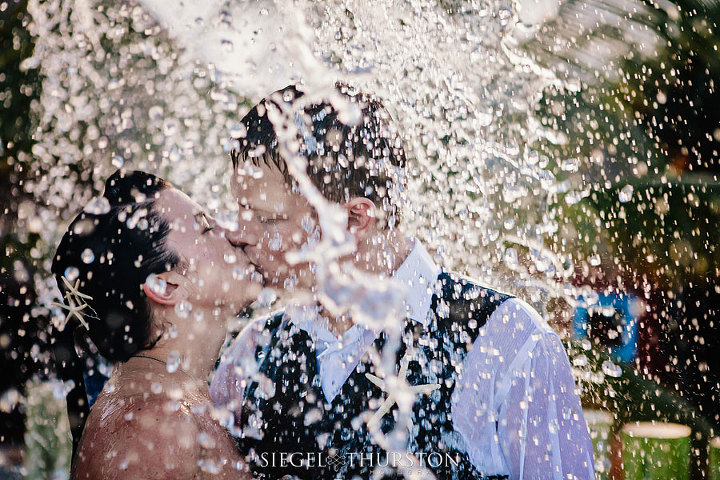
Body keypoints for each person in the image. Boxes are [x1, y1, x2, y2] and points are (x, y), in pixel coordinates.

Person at [211, 84, 595, 479]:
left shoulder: (507, 341)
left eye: (267, 218)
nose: (237, 233)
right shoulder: (251, 354)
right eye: (239, 210)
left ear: (354, 220)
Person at [50, 170, 260, 480]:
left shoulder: (166, 405)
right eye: (205, 227)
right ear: (167, 287)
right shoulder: (152, 428)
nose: (235, 233)